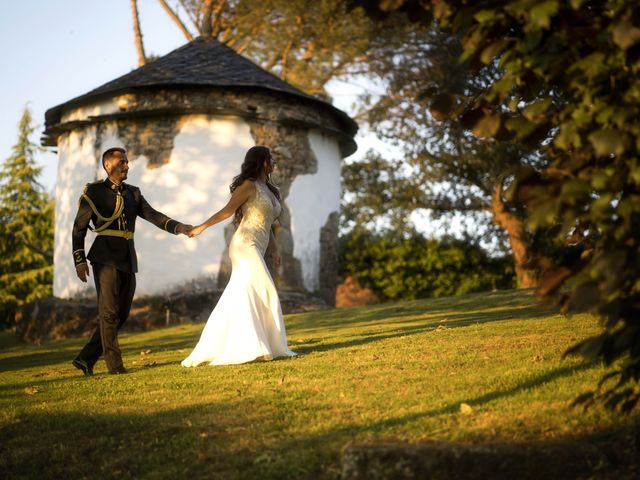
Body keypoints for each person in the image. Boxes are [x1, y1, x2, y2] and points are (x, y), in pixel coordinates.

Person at [71, 147, 192, 375]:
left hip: (127, 256)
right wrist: (79, 260)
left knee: (123, 312)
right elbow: (78, 229)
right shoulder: (94, 192)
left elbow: (153, 215)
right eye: (122, 162)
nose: (127, 166)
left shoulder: (133, 193)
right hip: (104, 256)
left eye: (127, 161)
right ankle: (115, 366)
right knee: (108, 312)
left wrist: (179, 227)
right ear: (108, 166)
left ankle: (85, 358)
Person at [181, 146, 296, 366]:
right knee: (265, 289)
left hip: (259, 245)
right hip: (244, 245)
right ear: (261, 161)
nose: (274, 163)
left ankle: (250, 345)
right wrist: (201, 227)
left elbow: (268, 223)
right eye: (270, 159)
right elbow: (227, 211)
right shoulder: (248, 186)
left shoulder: (271, 189)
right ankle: (258, 346)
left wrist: (275, 249)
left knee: (242, 292)